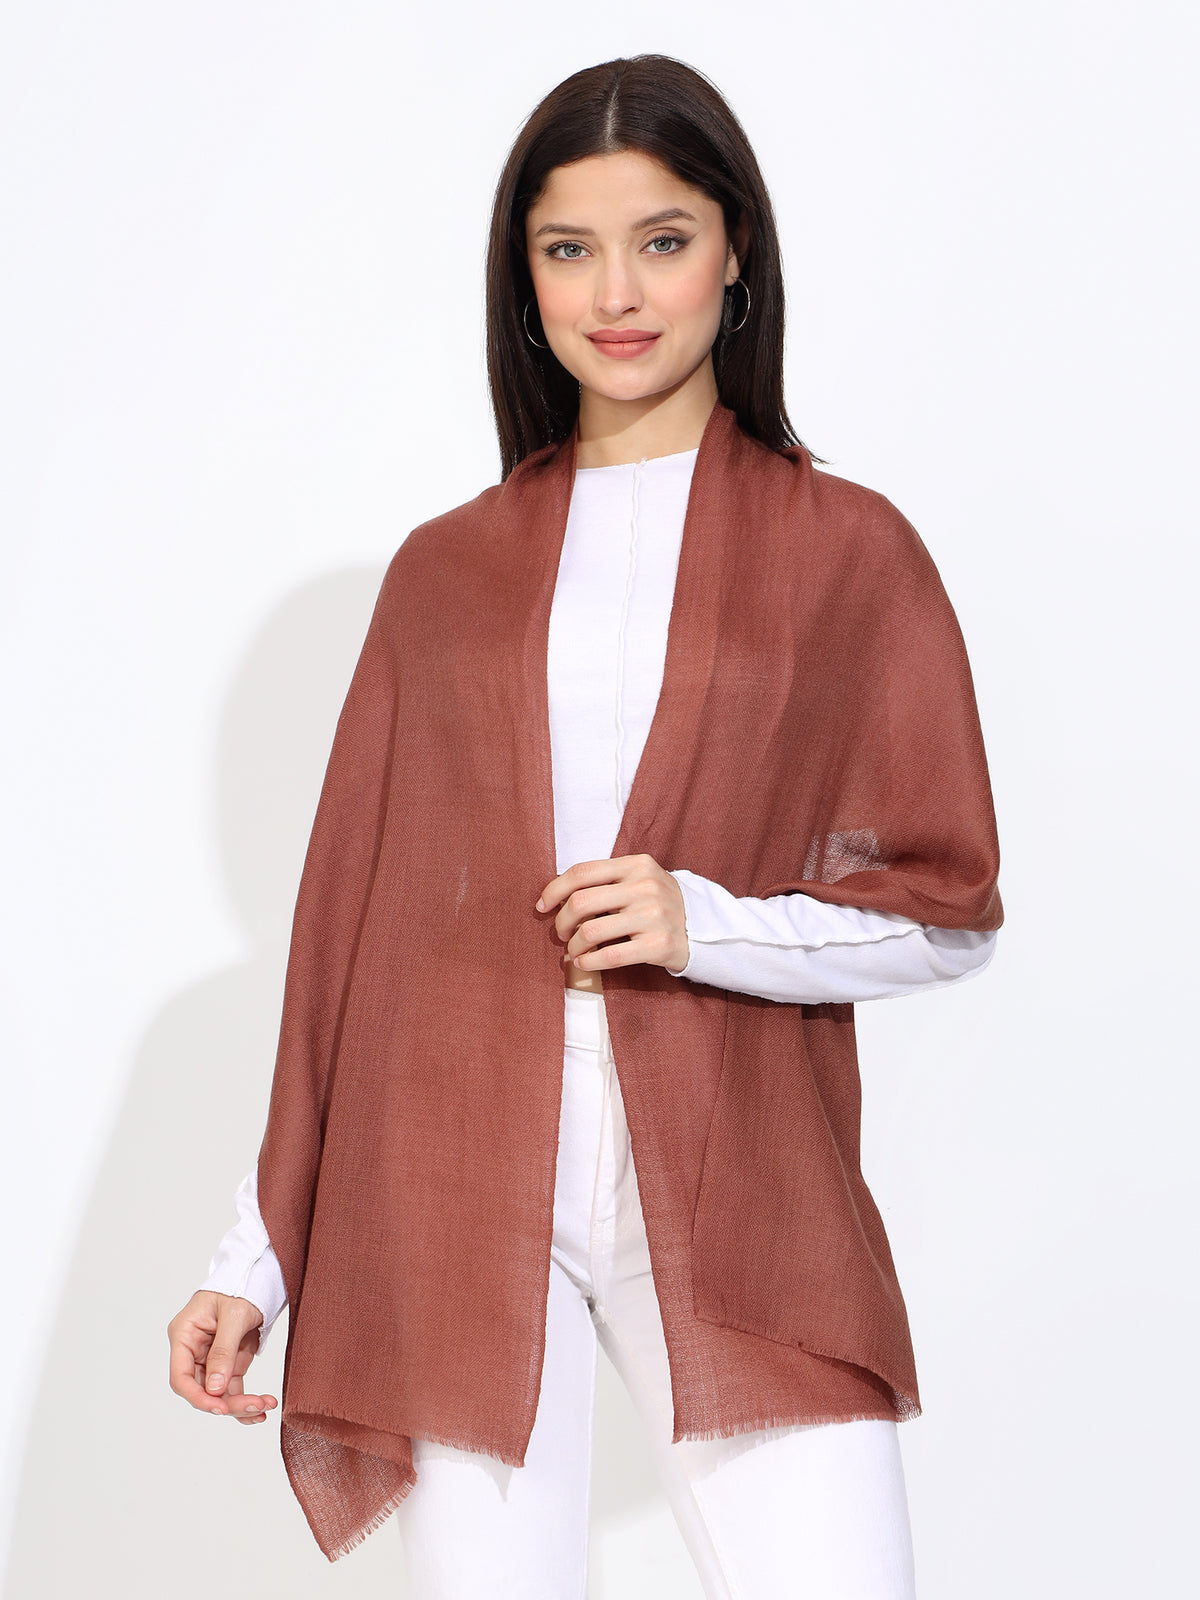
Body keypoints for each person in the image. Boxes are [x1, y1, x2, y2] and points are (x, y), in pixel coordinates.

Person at [167, 53, 1002, 1598]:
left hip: (739, 1181)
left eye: (662, 239)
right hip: (455, 1180)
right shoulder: (447, 574)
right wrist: (254, 1263)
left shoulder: (847, 552)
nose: (616, 292)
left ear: (735, 254)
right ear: (525, 277)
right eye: (569, 248)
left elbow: (946, 913)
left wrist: (704, 923)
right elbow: (348, 938)